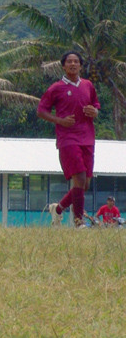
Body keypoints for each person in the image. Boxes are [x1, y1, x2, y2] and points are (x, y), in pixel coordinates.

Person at [38, 50, 100, 229]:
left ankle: (58, 209)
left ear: (80, 65)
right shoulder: (56, 88)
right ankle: (79, 223)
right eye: (69, 62)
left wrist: (95, 111)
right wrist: (60, 121)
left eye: (76, 61)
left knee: (85, 183)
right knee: (79, 177)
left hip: (87, 137)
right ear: (63, 66)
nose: (73, 64)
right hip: (68, 139)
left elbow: (96, 105)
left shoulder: (88, 85)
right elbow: (41, 111)